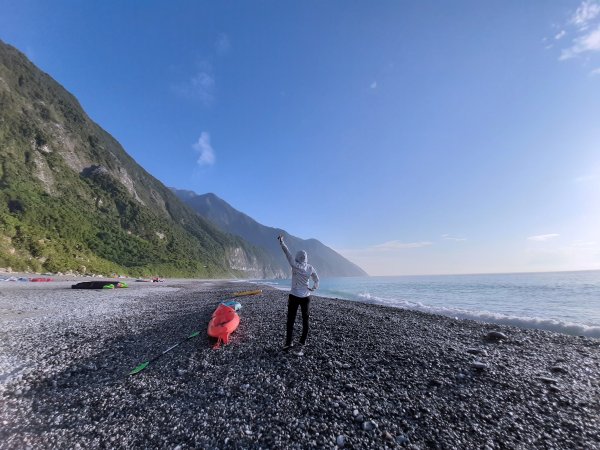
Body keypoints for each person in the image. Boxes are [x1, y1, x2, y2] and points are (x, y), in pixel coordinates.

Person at [277, 234, 319, 354]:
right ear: (306, 258)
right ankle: (302, 342)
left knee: (291, 320)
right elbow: (317, 279)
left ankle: (288, 342)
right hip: (306, 297)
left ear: (297, 257)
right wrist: (313, 288)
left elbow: (287, 252)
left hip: (294, 296)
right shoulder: (310, 268)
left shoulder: (294, 264)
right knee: (306, 320)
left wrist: (281, 241)